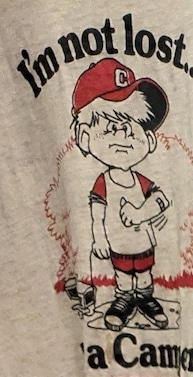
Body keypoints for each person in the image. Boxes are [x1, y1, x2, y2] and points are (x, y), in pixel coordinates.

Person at [71, 59, 172, 332]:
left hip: (143, 242)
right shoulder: (103, 183)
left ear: (148, 140)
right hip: (117, 245)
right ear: (84, 137)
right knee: (124, 276)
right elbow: (97, 214)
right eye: (111, 126)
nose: (124, 134)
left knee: (145, 273)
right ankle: (124, 300)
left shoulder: (140, 180)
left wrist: (142, 213)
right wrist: (100, 238)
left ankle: (146, 299)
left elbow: (161, 199)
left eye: (132, 125)